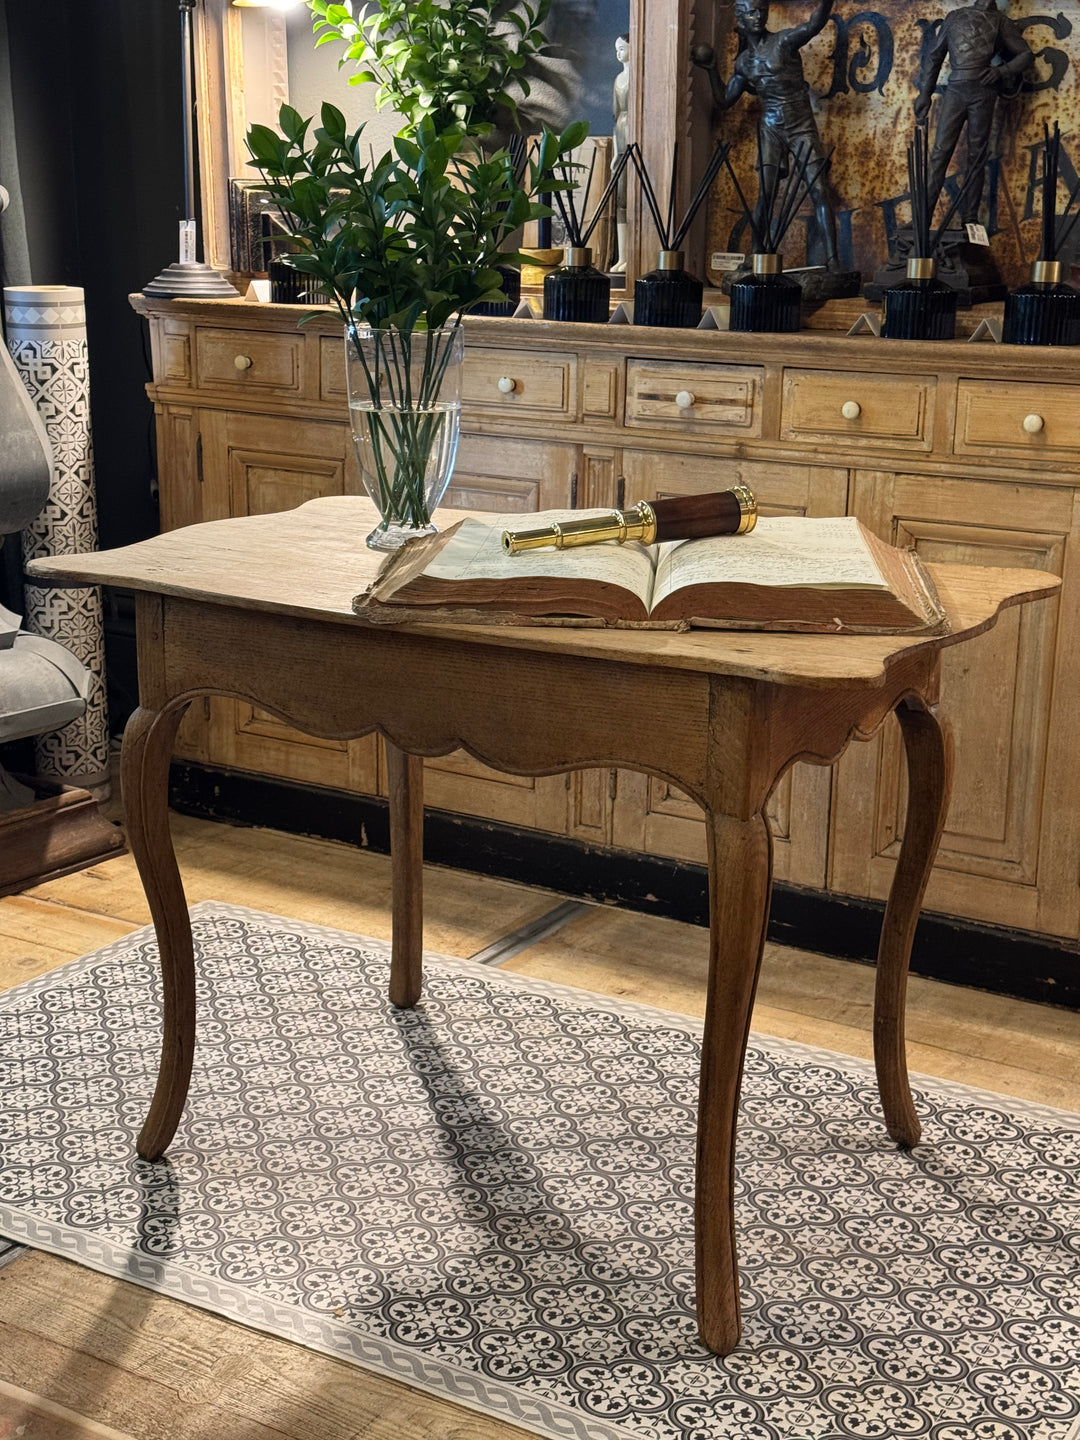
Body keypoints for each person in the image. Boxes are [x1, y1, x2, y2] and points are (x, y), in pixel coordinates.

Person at [692, 0, 841, 270]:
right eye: (751, 12)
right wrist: (712, 68)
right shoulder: (744, 63)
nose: (758, 17)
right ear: (740, 17)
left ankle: (833, 261)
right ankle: (756, 256)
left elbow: (814, 25)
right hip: (771, 127)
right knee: (766, 194)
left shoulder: (783, 41)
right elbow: (724, 100)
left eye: (761, 11)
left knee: (819, 191)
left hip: (801, 124)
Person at [916, 0, 1033, 225]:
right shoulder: (955, 17)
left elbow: (1026, 55)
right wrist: (924, 93)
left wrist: (1002, 71)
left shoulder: (1001, 22)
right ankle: (923, 217)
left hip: (982, 93)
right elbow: (935, 56)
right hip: (956, 91)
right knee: (940, 153)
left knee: (977, 156)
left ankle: (969, 220)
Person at [612, 33, 631, 272]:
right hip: (621, 132)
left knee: (633, 197)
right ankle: (622, 257)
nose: (618, 53)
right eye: (616, 49)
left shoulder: (639, 77)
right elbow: (616, 114)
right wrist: (616, 151)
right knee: (621, 199)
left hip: (634, 133)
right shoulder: (618, 79)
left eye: (622, 48)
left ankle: (631, 256)